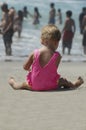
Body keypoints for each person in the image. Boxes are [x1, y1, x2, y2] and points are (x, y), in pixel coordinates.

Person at [8, 24, 84, 91]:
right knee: (63, 81)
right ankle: (74, 84)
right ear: (56, 42)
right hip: (51, 86)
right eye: (58, 42)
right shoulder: (57, 56)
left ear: (43, 40)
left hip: (35, 86)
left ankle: (12, 83)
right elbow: (52, 72)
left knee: (23, 84)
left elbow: (25, 67)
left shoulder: (35, 53)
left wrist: (31, 69)